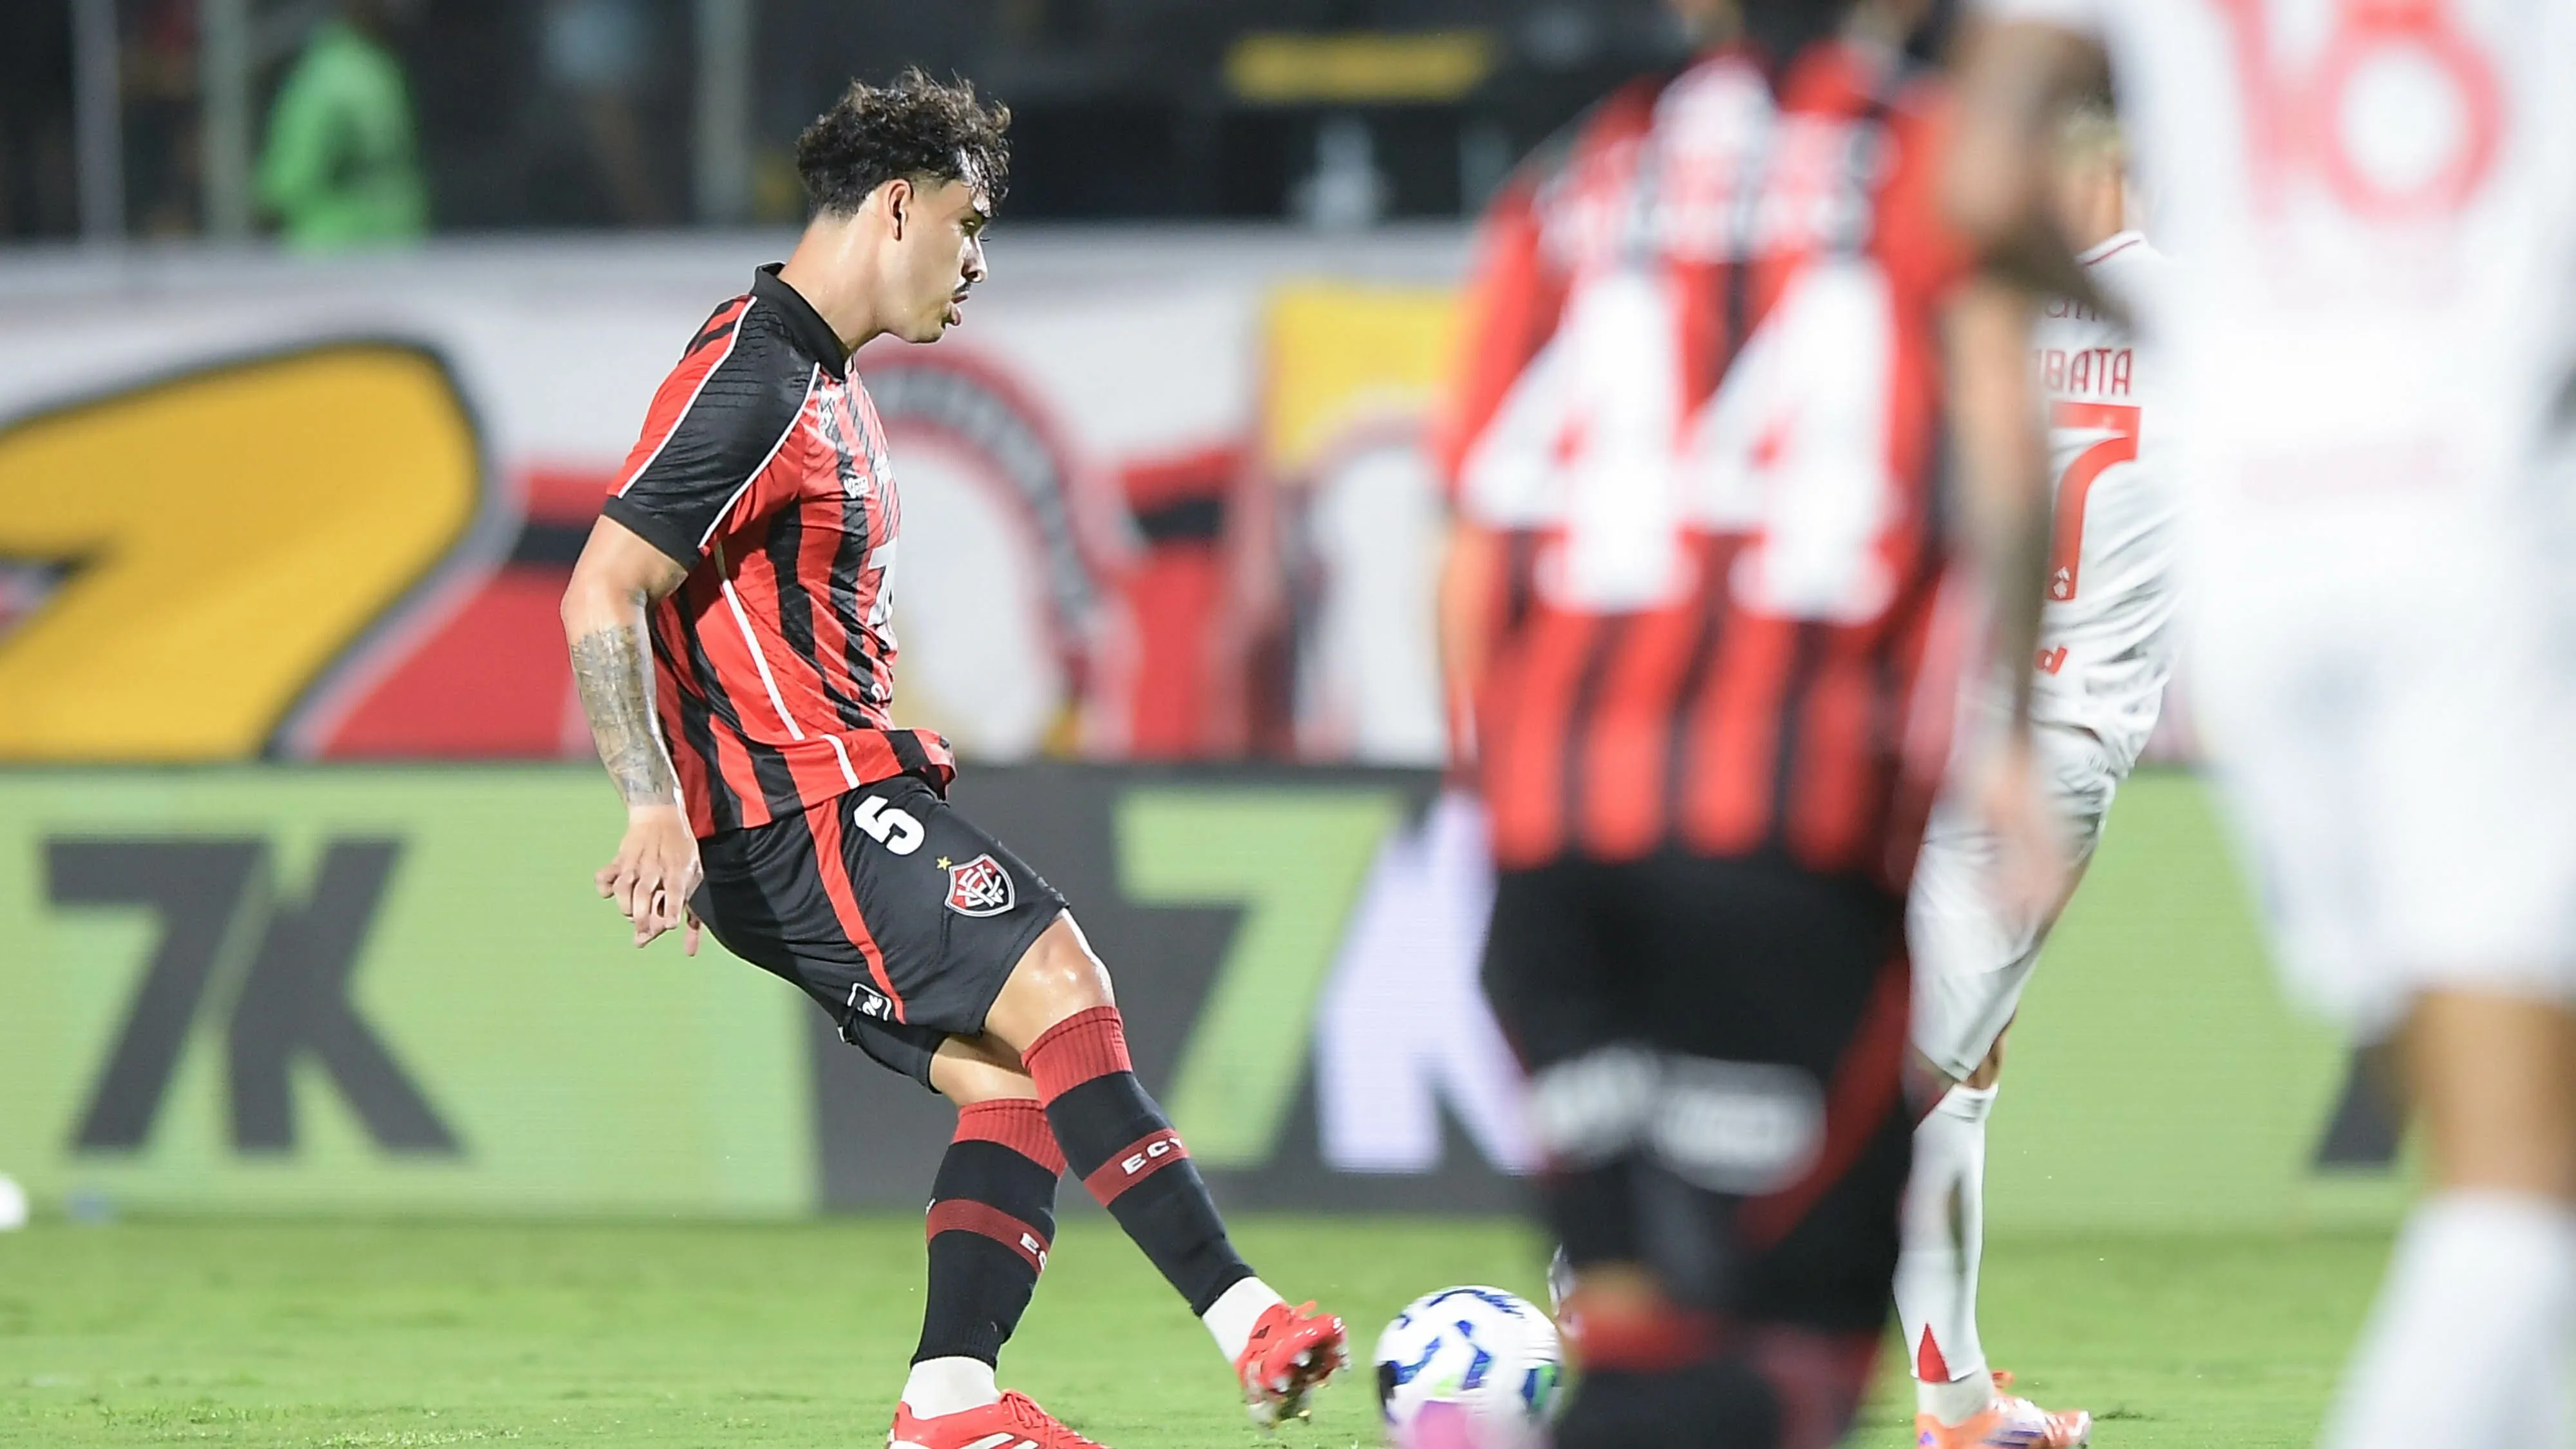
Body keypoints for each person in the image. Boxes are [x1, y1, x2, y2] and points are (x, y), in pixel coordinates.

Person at [556, 71, 1345, 1449]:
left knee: (1018, 1091)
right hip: (798, 809)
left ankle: (949, 1404)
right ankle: (1247, 1319)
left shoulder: (823, 382)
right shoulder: (751, 372)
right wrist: (649, 804)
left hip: (821, 807)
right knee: (1062, 979)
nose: (976, 265)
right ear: (898, 204)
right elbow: (600, 589)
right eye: (969, 227)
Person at [1943, 4, 2576, 1448]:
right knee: (2513, 1186)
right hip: (2467, 539)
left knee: (2481, 1151)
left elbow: (1973, 180)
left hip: (2265, 570)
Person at [1435, 1, 2034, 1443]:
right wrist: (2003, 736)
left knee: (1639, 1324)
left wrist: (1492, 791)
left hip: (1555, 847)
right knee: (1787, 1351)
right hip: (1783, 840)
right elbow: (2006, 472)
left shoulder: (1565, 183)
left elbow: (1464, 538)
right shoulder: (1925, 162)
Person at [1895, 91, 2172, 1449]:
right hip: (2055, 749)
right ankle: (1631, 1257)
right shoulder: (2192, 319)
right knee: (1895, 1077)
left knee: (1959, 1058)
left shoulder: (1975, 311)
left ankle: (1952, 1399)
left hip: (1945, 719)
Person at [255, 0, 426, 249]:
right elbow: (287, 182)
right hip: (334, 255)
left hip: (395, 248)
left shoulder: (378, 63)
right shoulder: (329, 74)